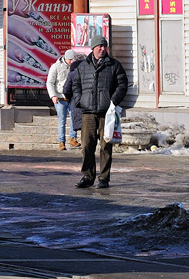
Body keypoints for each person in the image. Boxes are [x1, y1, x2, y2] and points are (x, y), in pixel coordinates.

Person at [71, 35, 130, 190]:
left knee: (106, 146)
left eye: (105, 46)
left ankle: (104, 178)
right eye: (100, 46)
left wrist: (113, 101)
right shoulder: (83, 66)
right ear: (93, 48)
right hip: (88, 112)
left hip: (107, 113)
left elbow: (122, 84)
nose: (103, 49)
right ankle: (87, 176)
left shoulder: (114, 65)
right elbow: (74, 84)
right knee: (87, 146)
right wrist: (80, 100)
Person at [46, 50, 77, 150]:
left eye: (73, 60)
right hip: (59, 97)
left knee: (74, 118)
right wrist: (53, 96)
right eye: (69, 60)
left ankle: (73, 139)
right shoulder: (55, 66)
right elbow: (50, 82)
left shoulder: (74, 66)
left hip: (71, 97)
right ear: (65, 58)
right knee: (61, 120)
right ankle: (61, 142)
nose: (71, 62)